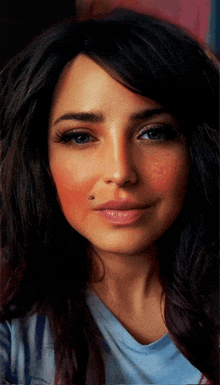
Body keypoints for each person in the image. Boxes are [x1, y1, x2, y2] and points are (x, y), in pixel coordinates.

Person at [0, 8, 219, 385]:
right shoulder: (11, 333)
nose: (120, 172)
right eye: (80, 137)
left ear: (196, 149)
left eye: (154, 132)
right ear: (41, 159)